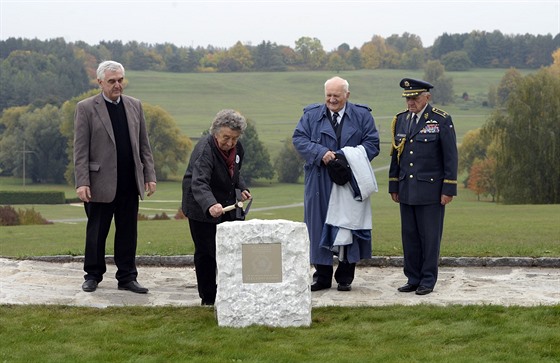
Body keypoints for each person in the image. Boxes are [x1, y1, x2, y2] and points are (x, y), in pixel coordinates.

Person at [74, 60, 157, 294]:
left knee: (128, 233)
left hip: (130, 182)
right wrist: (82, 182)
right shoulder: (86, 108)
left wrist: (149, 175)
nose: (118, 85)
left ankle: (128, 277)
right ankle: (92, 275)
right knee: (97, 232)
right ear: (100, 82)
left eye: (120, 80)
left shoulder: (135, 105)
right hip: (99, 183)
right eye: (112, 81)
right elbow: (80, 150)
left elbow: (144, 145)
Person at [292, 76, 380, 292]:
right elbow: (299, 139)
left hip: (350, 179)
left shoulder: (362, 115)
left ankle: (345, 275)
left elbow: (373, 142)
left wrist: (345, 157)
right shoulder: (311, 115)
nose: (331, 100)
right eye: (328, 95)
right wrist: (322, 153)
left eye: (336, 96)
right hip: (319, 182)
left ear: (347, 96)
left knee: (349, 224)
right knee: (318, 224)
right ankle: (321, 276)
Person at [388, 78, 458, 295]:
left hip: (431, 191)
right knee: (409, 236)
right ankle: (413, 277)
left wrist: (448, 189)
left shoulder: (440, 120)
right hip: (407, 189)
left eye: (415, 97)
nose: (411, 102)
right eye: (408, 98)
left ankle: (427, 279)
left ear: (427, 97)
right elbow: (396, 156)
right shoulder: (400, 120)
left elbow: (450, 157)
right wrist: (393, 185)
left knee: (429, 238)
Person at [182, 109, 252, 306]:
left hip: (227, 205)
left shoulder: (238, 149)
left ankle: (229, 293)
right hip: (200, 206)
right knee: (206, 253)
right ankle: (209, 298)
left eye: (235, 139)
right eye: (226, 138)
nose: (230, 143)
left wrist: (242, 188)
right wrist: (210, 204)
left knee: (230, 250)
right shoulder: (204, 150)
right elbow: (199, 183)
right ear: (215, 132)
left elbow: (234, 173)